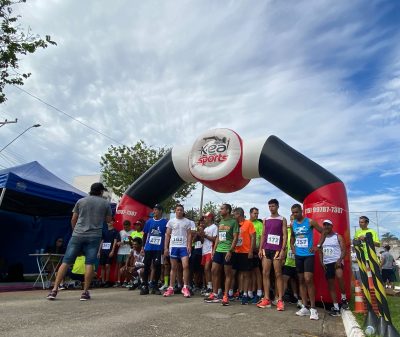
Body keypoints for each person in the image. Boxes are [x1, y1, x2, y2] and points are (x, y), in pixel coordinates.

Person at [47, 182, 112, 301]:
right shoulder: (105, 203)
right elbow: (108, 220)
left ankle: (54, 290)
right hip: (94, 236)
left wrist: (75, 232)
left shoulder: (80, 201)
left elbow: (73, 219)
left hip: (78, 234)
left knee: (66, 261)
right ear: (101, 191)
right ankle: (85, 292)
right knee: (89, 263)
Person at [290, 203, 323, 320]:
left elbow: (323, 231)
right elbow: (292, 237)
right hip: (298, 255)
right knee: (301, 280)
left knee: (308, 279)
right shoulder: (293, 223)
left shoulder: (310, 222)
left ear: (301, 211)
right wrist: (292, 246)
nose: (294, 214)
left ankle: (313, 309)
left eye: (296, 212)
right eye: (293, 213)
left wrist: (318, 246)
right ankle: (304, 307)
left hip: (309, 255)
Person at [204, 203, 239, 306]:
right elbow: (219, 237)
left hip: (228, 251)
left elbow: (235, 238)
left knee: (227, 274)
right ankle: (215, 294)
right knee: (214, 270)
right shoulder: (221, 222)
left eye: (222, 209)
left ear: (227, 210)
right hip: (218, 250)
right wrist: (214, 249)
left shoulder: (233, 222)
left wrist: (230, 250)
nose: (220, 210)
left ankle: (225, 296)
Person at [257, 199, 287, 311]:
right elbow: (263, 235)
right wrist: (260, 248)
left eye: (273, 206)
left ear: (277, 206)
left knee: (278, 274)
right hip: (266, 249)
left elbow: (284, 235)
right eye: (269, 206)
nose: (271, 208)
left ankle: (279, 300)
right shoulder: (265, 219)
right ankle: (266, 298)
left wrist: (283, 249)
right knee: (265, 273)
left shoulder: (282, 219)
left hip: (277, 250)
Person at [317, 219, 348, 316]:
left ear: (332, 226)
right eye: (325, 225)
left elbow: (344, 250)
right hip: (327, 263)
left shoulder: (338, 236)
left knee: (339, 276)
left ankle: (343, 298)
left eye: (328, 225)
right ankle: (336, 307)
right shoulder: (323, 237)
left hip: (336, 262)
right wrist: (321, 262)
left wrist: (339, 260)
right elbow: (320, 250)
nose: (326, 227)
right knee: (331, 285)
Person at [163, 204, 192, 297]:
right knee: (173, 267)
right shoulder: (171, 222)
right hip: (173, 246)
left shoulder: (187, 222)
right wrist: (166, 248)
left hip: (183, 247)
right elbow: (167, 235)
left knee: (186, 266)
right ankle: (171, 288)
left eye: (181, 210)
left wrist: (189, 245)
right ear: (175, 211)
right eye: (177, 210)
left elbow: (189, 235)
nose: (179, 211)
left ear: (183, 211)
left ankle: (185, 287)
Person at [140, 204, 168, 295]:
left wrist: (165, 248)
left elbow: (167, 235)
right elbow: (144, 235)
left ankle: (155, 285)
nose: (154, 211)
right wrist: (142, 247)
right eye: (154, 209)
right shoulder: (149, 222)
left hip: (159, 248)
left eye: (156, 210)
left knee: (157, 266)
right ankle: (144, 285)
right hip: (149, 247)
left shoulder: (165, 222)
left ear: (160, 211)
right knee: (146, 265)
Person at [232, 207, 255, 305]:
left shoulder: (248, 223)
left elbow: (253, 237)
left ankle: (245, 294)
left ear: (239, 214)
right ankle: (237, 291)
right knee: (236, 273)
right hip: (236, 252)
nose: (233, 216)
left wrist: (251, 251)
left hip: (245, 252)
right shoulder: (234, 224)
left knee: (246, 274)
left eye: (234, 214)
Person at [97, 217, 119, 287]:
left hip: (109, 250)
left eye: (111, 222)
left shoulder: (115, 231)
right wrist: (99, 251)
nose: (110, 223)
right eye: (108, 222)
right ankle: (102, 281)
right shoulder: (104, 231)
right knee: (102, 266)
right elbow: (102, 241)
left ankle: (107, 281)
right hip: (103, 250)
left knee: (107, 265)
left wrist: (112, 250)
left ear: (113, 222)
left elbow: (115, 241)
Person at [201, 212, 218, 295]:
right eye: (204, 218)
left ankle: (212, 288)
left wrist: (205, 236)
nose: (204, 219)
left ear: (210, 218)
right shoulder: (205, 228)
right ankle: (209, 287)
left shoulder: (214, 227)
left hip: (210, 250)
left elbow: (215, 239)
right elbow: (202, 241)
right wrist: (200, 236)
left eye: (206, 217)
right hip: (204, 250)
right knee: (205, 269)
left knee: (208, 268)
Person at [249, 207, 263, 303]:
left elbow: (262, 237)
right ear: (250, 213)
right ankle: (250, 291)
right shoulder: (246, 223)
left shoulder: (259, 224)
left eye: (257, 213)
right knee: (249, 272)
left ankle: (259, 292)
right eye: (254, 213)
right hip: (246, 251)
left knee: (257, 271)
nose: (256, 215)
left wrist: (260, 249)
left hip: (256, 251)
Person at [114, 220, 134, 287]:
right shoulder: (121, 232)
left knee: (126, 266)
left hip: (128, 251)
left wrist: (125, 242)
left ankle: (126, 281)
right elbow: (117, 241)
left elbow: (133, 243)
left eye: (126, 227)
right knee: (119, 266)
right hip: (120, 251)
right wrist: (118, 243)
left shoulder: (133, 232)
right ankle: (119, 281)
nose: (125, 228)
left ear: (129, 226)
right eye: (124, 227)